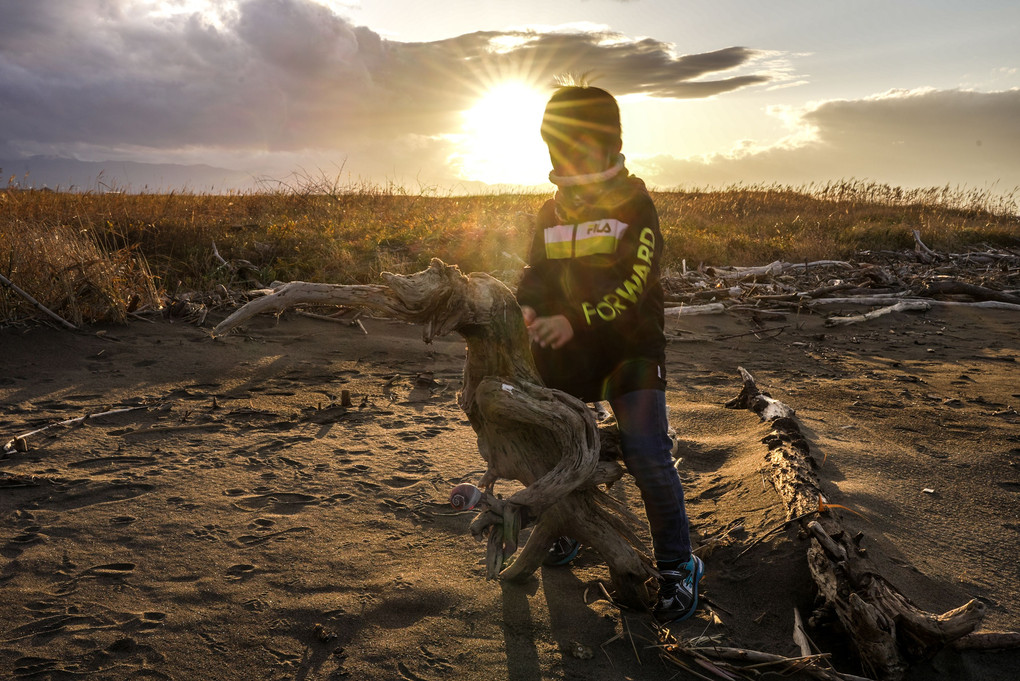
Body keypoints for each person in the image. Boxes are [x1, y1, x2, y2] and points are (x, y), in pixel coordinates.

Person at [515, 84, 704, 623]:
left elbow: (633, 287)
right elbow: (536, 275)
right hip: (565, 354)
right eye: (558, 143)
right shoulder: (549, 212)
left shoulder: (635, 204)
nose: (567, 156)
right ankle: (565, 532)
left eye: (578, 142)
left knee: (646, 452)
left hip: (631, 351)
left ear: (607, 142)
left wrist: (569, 318)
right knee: (562, 448)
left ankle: (677, 565)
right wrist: (528, 310)